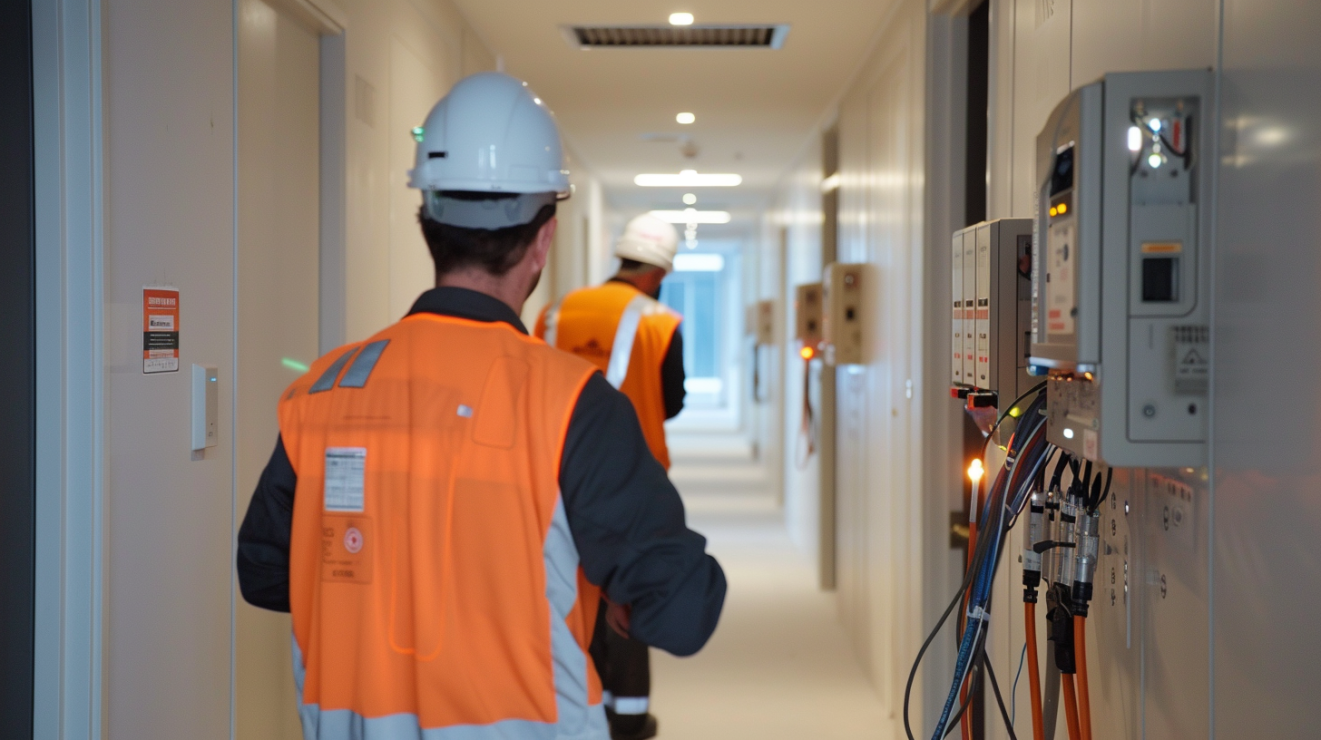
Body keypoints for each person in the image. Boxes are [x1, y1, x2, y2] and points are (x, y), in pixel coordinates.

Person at [236, 72, 725, 740]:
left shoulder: (321, 391)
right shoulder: (573, 404)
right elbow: (682, 612)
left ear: (426, 222)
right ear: (543, 239)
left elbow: (266, 574)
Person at [534, 214, 685, 740]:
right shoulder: (660, 321)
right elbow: (673, 402)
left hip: (548, 478)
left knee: (559, 591)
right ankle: (627, 720)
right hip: (629, 482)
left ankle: (569, 710)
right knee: (624, 601)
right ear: (659, 272)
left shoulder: (554, 314)